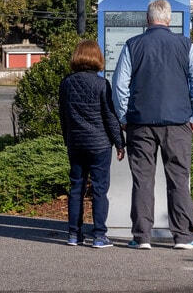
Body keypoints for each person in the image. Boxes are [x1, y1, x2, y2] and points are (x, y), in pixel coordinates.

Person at [111, 0, 193, 250]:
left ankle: (141, 236)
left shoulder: (133, 45)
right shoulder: (185, 45)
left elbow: (119, 87)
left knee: (142, 180)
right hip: (178, 123)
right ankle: (184, 237)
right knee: (178, 179)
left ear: (147, 19)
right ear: (169, 20)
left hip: (140, 123)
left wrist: (124, 118)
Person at [58, 39, 125, 248]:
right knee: (99, 190)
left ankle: (73, 234)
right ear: (97, 58)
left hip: (75, 144)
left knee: (76, 187)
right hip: (99, 144)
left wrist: (67, 138)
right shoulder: (101, 84)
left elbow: (63, 116)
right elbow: (110, 117)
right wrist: (120, 143)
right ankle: (99, 235)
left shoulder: (66, 83)